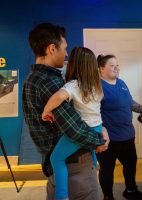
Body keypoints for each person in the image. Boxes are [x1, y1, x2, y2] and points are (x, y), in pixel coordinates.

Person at [23, 23, 105, 200]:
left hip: (59, 165)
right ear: (52, 48)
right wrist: (100, 139)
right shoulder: (49, 83)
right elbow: (74, 128)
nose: (66, 54)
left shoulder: (33, 79)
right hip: (74, 166)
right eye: (64, 48)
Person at [41, 47, 109, 200]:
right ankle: (93, 165)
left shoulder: (74, 85)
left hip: (84, 129)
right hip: (97, 127)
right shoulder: (97, 85)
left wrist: (46, 110)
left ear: (74, 64)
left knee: (56, 158)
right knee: (91, 152)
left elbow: (58, 97)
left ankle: (61, 195)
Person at [96, 54, 142, 200]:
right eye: (112, 65)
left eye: (117, 65)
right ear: (101, 68)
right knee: (107, 171)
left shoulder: (121, 83)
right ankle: (108, 196)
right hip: (108, 140)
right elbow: (92, 113)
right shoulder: (97, 87)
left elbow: (130, 103)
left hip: (127, 136)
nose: (116, 68)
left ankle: (130, 190)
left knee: (130, 166)